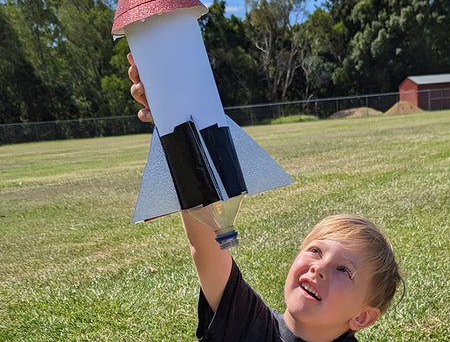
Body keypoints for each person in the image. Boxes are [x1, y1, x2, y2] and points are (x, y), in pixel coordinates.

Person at [128, 53, 403, 341]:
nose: (319, 268)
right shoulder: (249, 324)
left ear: (361, 317)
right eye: (315, 251)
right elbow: (205, 245)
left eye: (343, 270)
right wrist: (171, 111)